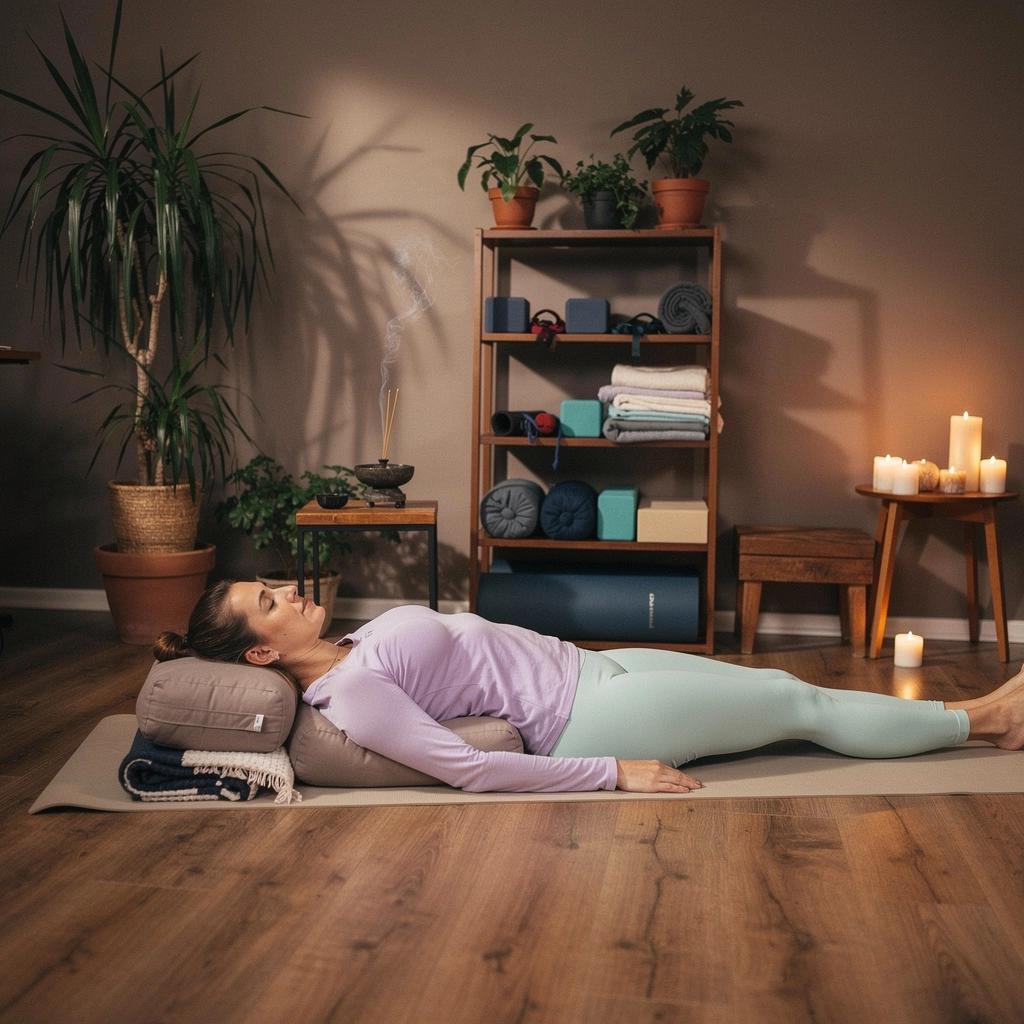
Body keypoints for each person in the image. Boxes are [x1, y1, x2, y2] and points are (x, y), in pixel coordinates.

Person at [154, 580, 1024, 794]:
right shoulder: (350, 695)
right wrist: (618, 772)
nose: (287, 591)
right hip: (586, 715)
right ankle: (984, 721)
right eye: (267, 603)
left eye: (272, 583)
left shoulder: (353, 641)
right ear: (261, 655)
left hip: (589, 664)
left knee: (777, 685)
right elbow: (469, 769)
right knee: (802, 707)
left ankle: (982, 718)